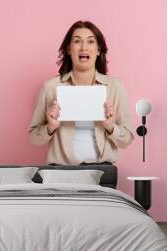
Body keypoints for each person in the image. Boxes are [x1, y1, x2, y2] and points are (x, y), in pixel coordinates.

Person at [29, 20, 134, 165]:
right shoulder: (50, 87)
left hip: (103, 173)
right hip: (61, 172)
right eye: (77, 41)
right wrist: (50, 127)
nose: (84, 47)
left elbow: (127, 139)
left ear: (98, 50)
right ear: (68, 49)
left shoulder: (115, 87)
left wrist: (111, 127)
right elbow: (34, 138)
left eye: (91, 42)